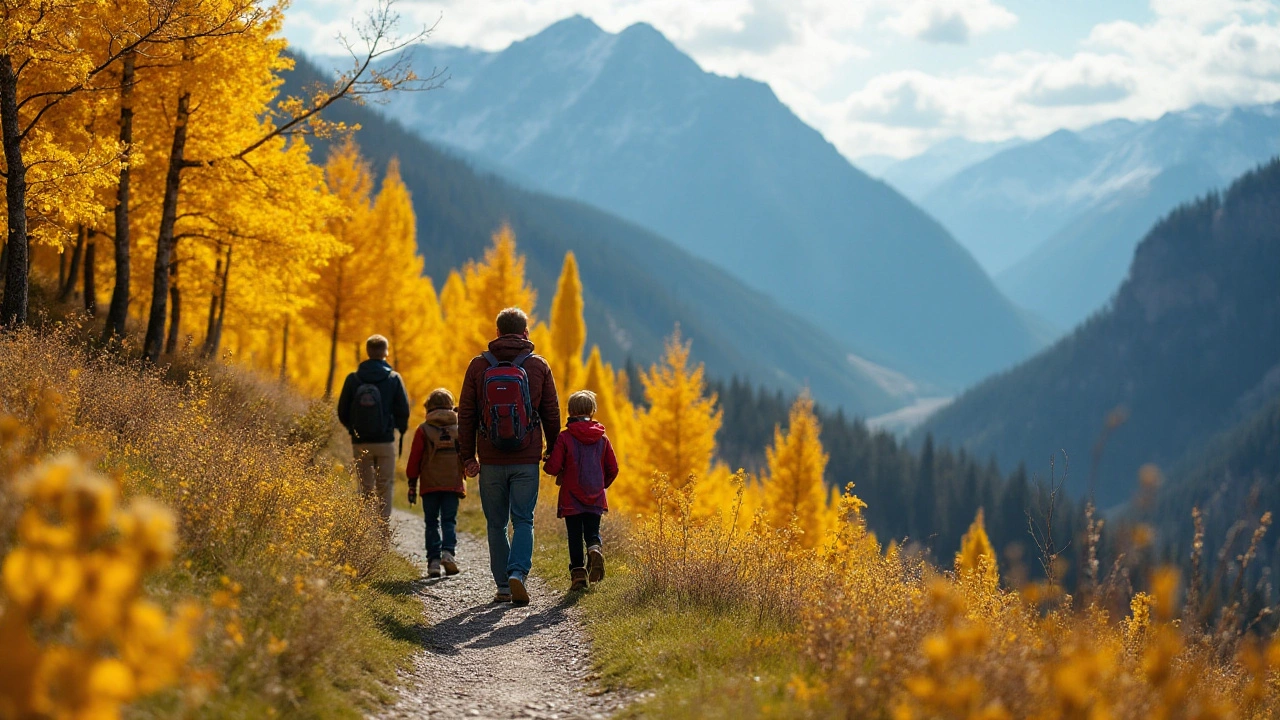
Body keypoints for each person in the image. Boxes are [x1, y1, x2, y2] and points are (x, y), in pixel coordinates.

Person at [457, 307, 560, 605]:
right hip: (526, 457)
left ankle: (503, 585)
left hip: (489, 458)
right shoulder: (538, 366)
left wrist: (467, 456)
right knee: (523, 520)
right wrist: (553, 450)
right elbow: (551, 413)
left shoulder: (478, 366)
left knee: (496, 523)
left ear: (498, 332)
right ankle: (518, 573)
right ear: (526, 333)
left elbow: (466, 414)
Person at [543, 390, 618, 591]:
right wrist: (601, 485)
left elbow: (553, 467)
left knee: (574, 535)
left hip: (571, 495)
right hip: (595, 495)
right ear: (592, 411)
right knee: (592, 531)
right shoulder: (602, 438)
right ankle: (594, 548)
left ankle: (578, 575)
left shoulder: (565, 437)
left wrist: (546, 462)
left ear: (570, 411)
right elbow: (613, 468)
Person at [337, 334, 411, 529]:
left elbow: (342, 410)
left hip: (360, 441)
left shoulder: (353, 379)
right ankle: (382, 530)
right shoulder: (393, 378)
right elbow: (403, 410)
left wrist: (354, 430)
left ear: (368, 352)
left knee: (365, 487)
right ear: (386, 352)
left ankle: (365, 530)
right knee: (384, 485)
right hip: (385, 442)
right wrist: (399, 429)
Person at [405, 388, 466, 578]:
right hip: (452, 482)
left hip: (429, 483)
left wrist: (412, 482)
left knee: (431, 522)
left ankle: (433, 562)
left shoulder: (423, 430)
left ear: (428, 407)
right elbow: (466, 454)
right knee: (449, 520)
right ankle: (448, 553)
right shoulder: (460, 429)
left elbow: (414, 459)